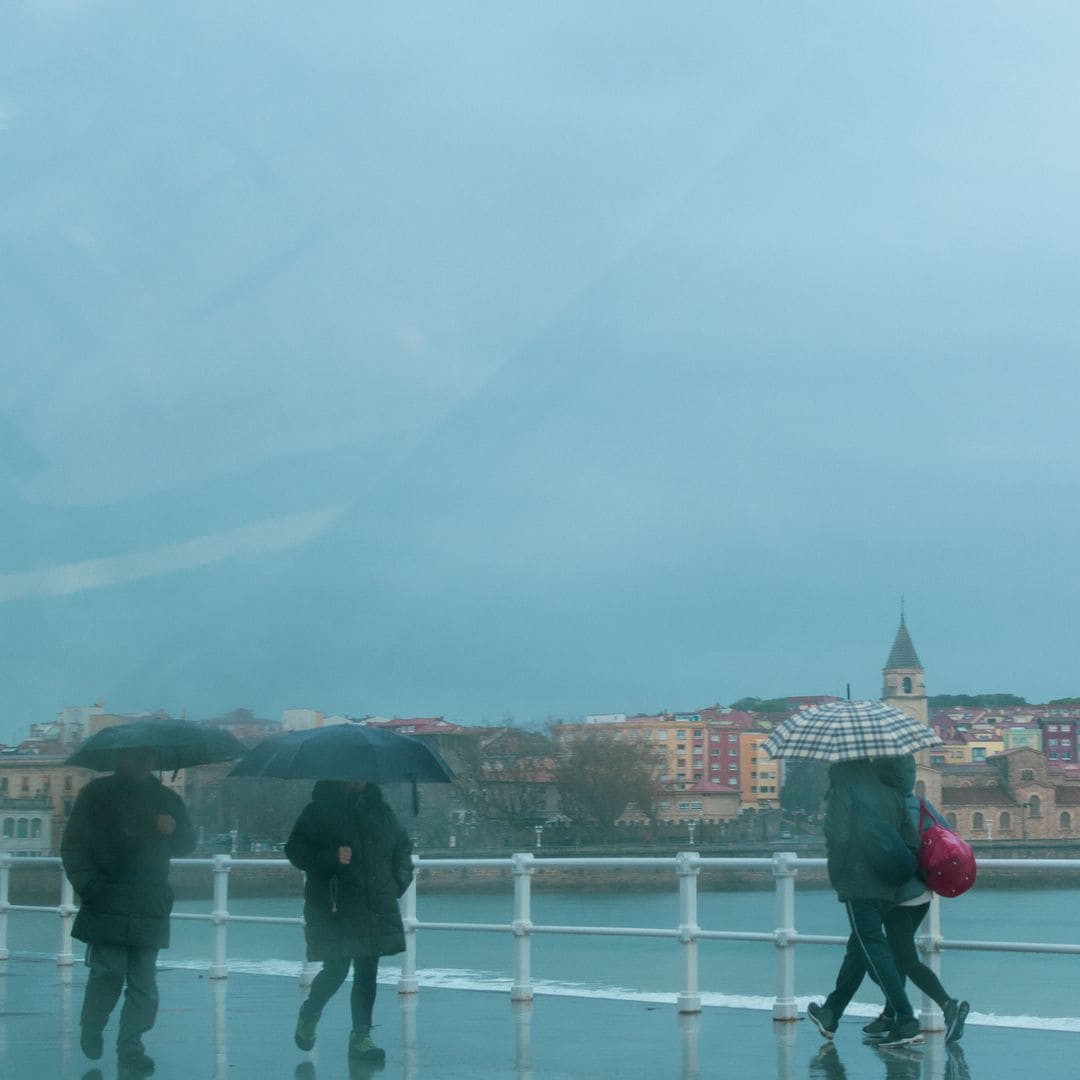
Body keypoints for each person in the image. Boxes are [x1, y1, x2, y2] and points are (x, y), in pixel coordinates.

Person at [807, 755, 970, 1045]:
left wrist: (843, 872)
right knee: (865, 951)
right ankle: (841, 1012)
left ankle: (916, 1014)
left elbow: (840, 837)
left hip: (884, 889)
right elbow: (927, 838)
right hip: (914, 889)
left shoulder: (856, 794)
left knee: (882, 955)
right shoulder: (912, 801)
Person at [61, 746, 196, 1075]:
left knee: (144, 985)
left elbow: (187, 844)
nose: (143, 761)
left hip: (150, 902)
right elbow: (73, 846)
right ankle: (92, 1025)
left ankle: (131, 1047)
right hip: (107, 898)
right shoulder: (96, 795)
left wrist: (174, 829)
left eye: (147, 756)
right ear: (120, 758)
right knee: (107, 974)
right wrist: (92, 886)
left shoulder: (166, 799)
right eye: (136, 755)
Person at [286, 780, 414, 1063]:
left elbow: (402, 848)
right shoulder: (319, 811)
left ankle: (361, 1037)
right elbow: (294, 850)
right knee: (336, 969)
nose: (358, 779)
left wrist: (396, 883)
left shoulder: (382, 811)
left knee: (367, 972)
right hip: (335, 907)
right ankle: (310, 1013)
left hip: (373, 905)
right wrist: (330, 857)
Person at [805, 756, 922, 1047]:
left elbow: (838, 836)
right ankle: (832, 1012)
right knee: (858, 949)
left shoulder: (844, 788)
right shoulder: (892, 790)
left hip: (859, 882)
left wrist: (841, 874)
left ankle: (906, 1019)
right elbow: (912, 841)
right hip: (890, 882)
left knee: (873, 948)